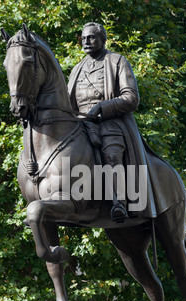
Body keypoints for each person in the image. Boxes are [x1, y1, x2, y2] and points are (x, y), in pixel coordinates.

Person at [68, 22, 143, 222]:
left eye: (91, 37)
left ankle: (119, 202)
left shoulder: (117, 61)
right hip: (80, 124)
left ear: (102, 39)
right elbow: (67, 104)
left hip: (109, 122)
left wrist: (103, 107)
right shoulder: (76, 69)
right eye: (83, 38)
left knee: (111, 154)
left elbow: (131, 98)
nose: (86, 42)